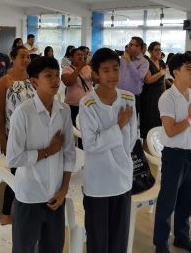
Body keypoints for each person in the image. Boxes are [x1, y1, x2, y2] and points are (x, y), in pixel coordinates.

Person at [7, 56, 75, 253]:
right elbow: (13, 158)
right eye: (48, 76)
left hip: (55, 195)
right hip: (30, 195)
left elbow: (69, 153)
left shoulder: (64, 110)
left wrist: (64, 189)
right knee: (24, 248)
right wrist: (47, 152)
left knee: (53, 247)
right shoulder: (23, 113)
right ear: (34, 81)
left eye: (57, 75)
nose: (55, 80)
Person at [79, 47, 137, 253]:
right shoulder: (88, 103)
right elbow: (91, 144)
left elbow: (132, 139)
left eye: (116, 69)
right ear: (95, 73)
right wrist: (118, 126)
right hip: (98, 180)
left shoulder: (129, 98)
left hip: (122, 178)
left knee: (119, 238)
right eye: (106, 70)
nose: (112, 75)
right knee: (98, 239)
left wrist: (116, 149)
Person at [153, 52, 191, 253]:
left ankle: (182, 238)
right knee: (168, 202)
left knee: (187, 201)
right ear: (175, 72)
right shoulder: (167, 98)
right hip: (175, 156)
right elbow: (170, 130)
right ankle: (161, 244)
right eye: (188, 69)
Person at [0, 45, 35, 225]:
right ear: (12, 58)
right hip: (15, 135)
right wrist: (3, 139)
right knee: (16, 174)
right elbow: (0, 114)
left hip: (34, 133)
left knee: (32, 173)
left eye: (28, 56)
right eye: (22, 56)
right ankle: (5, 214)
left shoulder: (33, 79)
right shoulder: (4, 82)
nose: (26, 60)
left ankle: (28, 208)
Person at [140, 42, 166, 142]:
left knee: (158, 122)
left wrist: (165, 94)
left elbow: (163, 80)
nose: (159, 52)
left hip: (160, 95)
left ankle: (155, 147)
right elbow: (148, 79)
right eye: (156, 50)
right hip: (149, 96)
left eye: (160, 49)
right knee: (148, 122)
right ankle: (146, 149)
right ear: (150, 51)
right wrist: (160, 73)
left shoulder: (162, 63)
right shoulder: (146, 62)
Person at [61, 46, 94, 126]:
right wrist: (79, 67)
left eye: (82, 55)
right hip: (73, 105)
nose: (81, 56)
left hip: (88, 104)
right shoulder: (67, 69)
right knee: (74, 128)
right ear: (71, 58)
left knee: (87, 128)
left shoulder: (89, 68)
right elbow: (68, 82)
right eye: (78, 55)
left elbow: (97, 80)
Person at [118, 36, 150, 114]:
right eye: (130, 44)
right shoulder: (123, 58)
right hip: (119, 94)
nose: (131, 47)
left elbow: (138, 77)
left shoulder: (144, 62)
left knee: (131, 123)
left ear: (141, 48)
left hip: (132, 97)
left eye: (135, 45)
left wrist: (129, 61)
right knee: (117, 120)